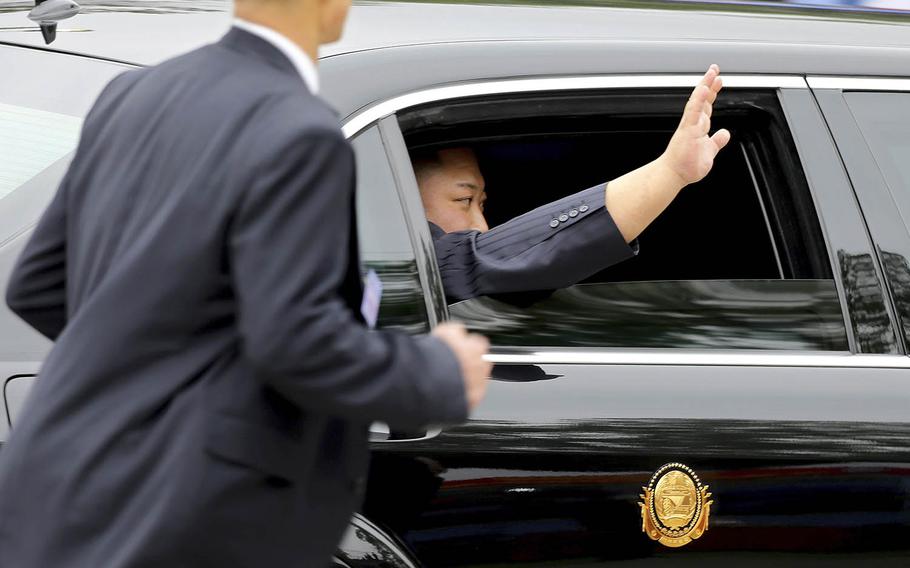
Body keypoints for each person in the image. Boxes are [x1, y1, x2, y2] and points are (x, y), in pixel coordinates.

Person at [0, 0, 491, 566]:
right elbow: (294, 340)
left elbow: (36, 286)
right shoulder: (298, 129)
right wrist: (437, 372)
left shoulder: (134, 92)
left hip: (61, 491)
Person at [415, 66, 730, 303]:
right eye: (464, 200)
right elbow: (467, 264)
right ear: (400, 200)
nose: (482, 226)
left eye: (481, 204)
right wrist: (671, 172)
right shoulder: (405, 275)